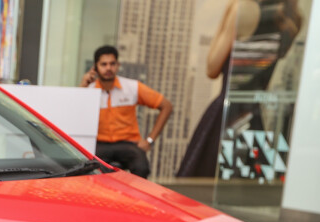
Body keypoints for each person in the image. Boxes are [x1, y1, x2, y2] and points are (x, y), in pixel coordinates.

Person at [177, 0, 302, 178]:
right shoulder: (292, 18)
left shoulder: (242, 9)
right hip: (255, 118)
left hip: (226, 114)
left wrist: (229, 10)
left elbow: (212, 68)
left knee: (200, 193)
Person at [81, 45, 172, 179]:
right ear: (95, 67)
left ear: (118, 65)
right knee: (85, 170)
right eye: (103, 64)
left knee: (142, 168)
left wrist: (150, 140)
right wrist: (83, 86)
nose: (108, 68)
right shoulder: (89, 90)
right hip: (99, 144)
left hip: (128, 144)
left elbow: (166, 106)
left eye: (112, 64)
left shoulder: (132, 87)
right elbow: (74, 115)